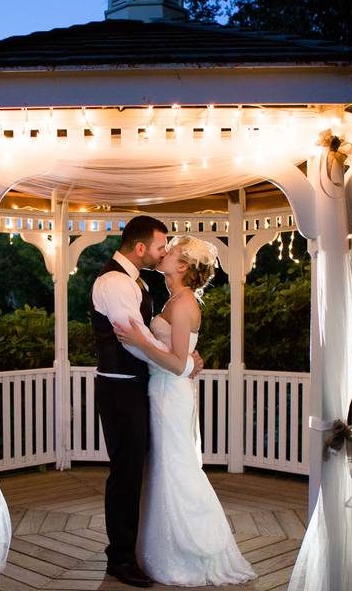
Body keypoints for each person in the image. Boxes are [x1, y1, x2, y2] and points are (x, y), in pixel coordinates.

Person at [114, 235, 257, 587]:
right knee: (164, 466)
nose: (164, 253)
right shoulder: (175, 300)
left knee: (176, 467)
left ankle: (196, 548)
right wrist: (184, 356)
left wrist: (140, 342)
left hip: (170, 394)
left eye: (172, 251)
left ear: (182, 266)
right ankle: (164, 548)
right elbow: (183, 357)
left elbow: (177, 364)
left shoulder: (182, 304)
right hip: (163, 391)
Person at [90, 216, 204, 587]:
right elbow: (133, 339)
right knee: (125, 474)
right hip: (121, 387)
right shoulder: (114, 282)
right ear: (141, 248)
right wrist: (183, 362)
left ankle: (138, 549)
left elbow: (147, 340)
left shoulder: (135, 281)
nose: (163, 252)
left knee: (139, 471)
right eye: (160, 246)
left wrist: (181, 358)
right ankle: (120, 559)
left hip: (140, 387)